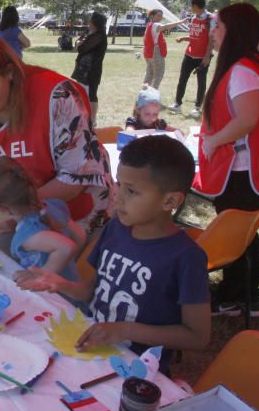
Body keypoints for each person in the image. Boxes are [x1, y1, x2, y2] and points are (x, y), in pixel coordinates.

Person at [18, 135, 211, 374]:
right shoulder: (116, 228)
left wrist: (125, 330)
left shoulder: (186, 258)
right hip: (92, 349)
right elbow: (94, 291)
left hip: (136, 369)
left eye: (131, 191)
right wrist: (61, 284)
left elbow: (198, 336)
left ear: (170, 200)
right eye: (119, 184)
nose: (117, 197)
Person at [0, 33, 115, 252]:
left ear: (10, 73)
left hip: (74, 224)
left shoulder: (58, 98)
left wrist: (17, 211)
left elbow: (74, 177)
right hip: (12, 221)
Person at [195, 2, 259, 318]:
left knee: (238, 236)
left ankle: (235, 298)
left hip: (243, 172)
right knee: (246, 236)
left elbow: (247, 119)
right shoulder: (250, 65)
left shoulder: (242, 69)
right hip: (245, 171)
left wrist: (213, 140)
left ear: (234, 30)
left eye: (219, 26)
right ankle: (246, 297)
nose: (213, 32)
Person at [0, 156, 86, 280]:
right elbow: (80, 236)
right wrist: (65, 265)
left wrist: (40, 276)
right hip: (69, 286)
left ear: (4, 209)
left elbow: (67, 247)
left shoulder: (27, 236)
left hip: (54, 296)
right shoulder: (52, 205)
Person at [170, 0, 215, 116]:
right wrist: (184, 38)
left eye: (191, 6)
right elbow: (195, 36)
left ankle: (198, 107)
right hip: (189, 54)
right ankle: (177, 104)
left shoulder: (210, 19)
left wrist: (207, 56)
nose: (191, 8)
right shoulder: (194, 18)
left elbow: (212, 39)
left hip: (202, 57)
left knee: (201, 82)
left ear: (195, 6)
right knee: (182, 79)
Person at [71, 12, 108, 122]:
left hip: (91, 71)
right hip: (85, 70)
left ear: (95, 23)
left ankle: (92, 120)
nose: (89, 23)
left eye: (91, 21)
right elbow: (80, 47)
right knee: (83, 92)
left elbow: (81, 49)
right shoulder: (93, 35)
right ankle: (83, 117)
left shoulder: (99, 36)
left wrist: (79, 44)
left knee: (91, 94)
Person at [142, 9, 186, 89]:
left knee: (149, 75)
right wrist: (180, 22)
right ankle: (153, 94)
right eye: (158, 15)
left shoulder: (149, 24)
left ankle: (144, 93)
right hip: (155, 52)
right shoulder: (155, 25)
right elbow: (166, 26)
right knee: (158, 75)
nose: (161, 17)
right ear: (152, 16)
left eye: (161, 16)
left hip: (148, 52)